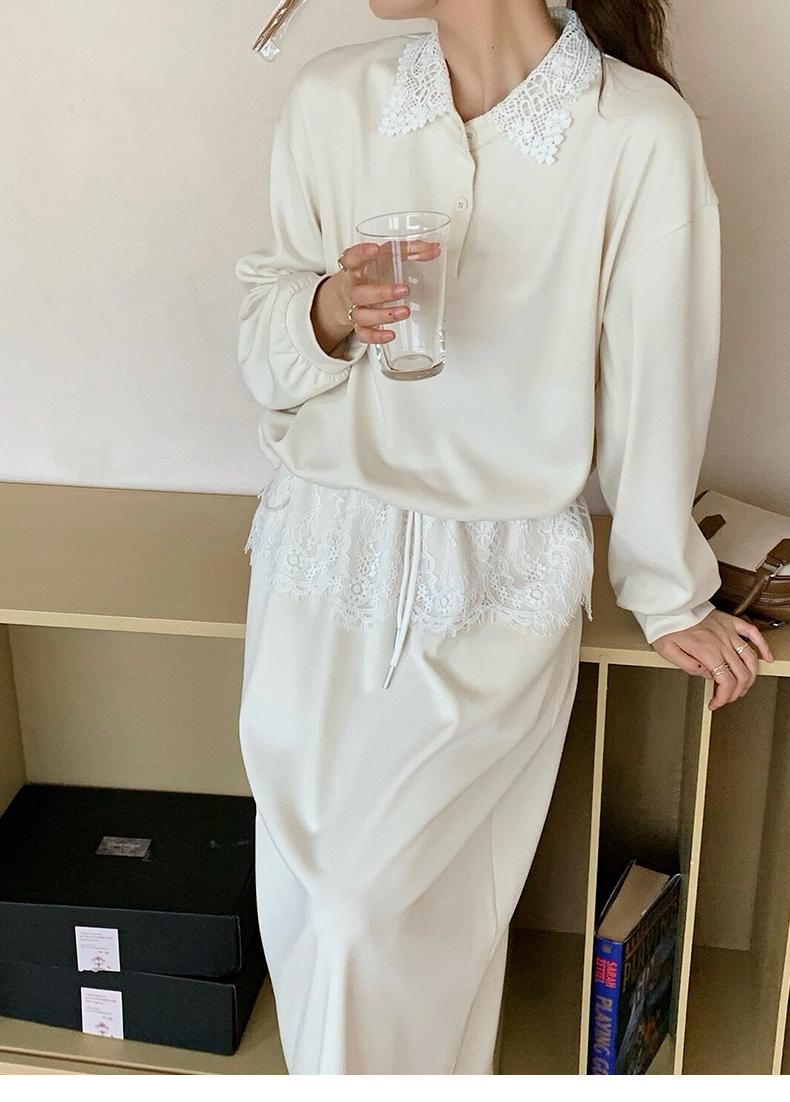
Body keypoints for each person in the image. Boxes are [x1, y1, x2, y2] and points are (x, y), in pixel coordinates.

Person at [235, 0, 774, 1075]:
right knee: (305, 915)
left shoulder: (637, 134)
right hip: (319, 566)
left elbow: (658, 382)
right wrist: (330, 309)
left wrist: (667, 590)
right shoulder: (332, 100)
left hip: (494, 588)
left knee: (365, 914)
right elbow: (262, 353)